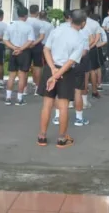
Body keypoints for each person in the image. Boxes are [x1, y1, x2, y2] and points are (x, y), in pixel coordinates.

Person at [37, 9, 87, 148]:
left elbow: (46, 49)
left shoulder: (57, 30)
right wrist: (57, 74)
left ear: (70, 19)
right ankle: (61, 138)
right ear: (83, 23)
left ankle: (42, 136)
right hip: (66, 72)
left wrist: (52, 70)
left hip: (50, 68)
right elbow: (71, 61)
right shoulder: (79, 38)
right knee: (63, 105)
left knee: (47, 104)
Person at [3, 6, 35, 106]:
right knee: (22, 76)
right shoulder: (28, 27)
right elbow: (30, 41)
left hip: (13, 51)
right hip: (24, 52)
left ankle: (8, 98)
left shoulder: (10, 25)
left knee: (11, 76)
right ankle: (19, 99)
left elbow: (5, 40)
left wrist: (14, 48)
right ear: (26, 15)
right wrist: (20, 49)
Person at [26, 5, 48, 94]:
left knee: (25, 67)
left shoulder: (25, 21)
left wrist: (28, 44)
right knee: (37, 66)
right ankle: (37, 88)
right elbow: (41, 37)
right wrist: (34, 43)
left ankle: (24, 88)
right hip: (37, 45)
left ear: (29, 11)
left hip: (26, 45)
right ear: (37, 12)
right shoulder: (40, 23)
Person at [84, 10, 102, 101]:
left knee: (84, 71)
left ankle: (85, 90)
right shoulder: (95, 23)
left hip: (81, 49)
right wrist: (92, 45)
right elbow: (97, 37)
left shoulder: (78, 22)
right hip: (92, 48)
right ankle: (94, 91)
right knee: (93, 70)